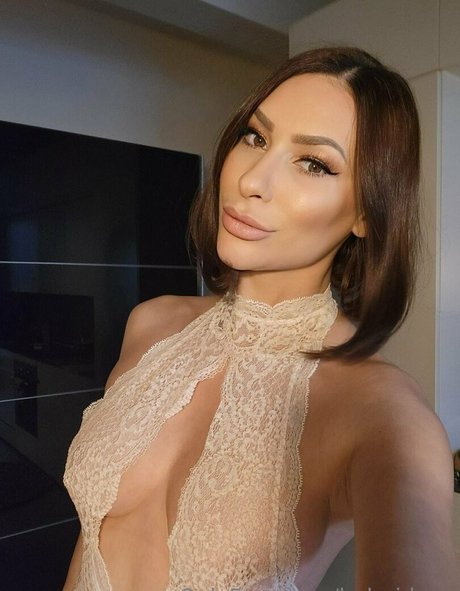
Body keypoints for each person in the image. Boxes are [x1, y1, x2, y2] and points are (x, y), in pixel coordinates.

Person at [63, 46, 457, 591]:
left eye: (314, 163)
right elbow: (92, 538)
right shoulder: (151, 324)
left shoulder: (384, 415)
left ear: (367, 212)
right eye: (256, 137)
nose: (252, 179)